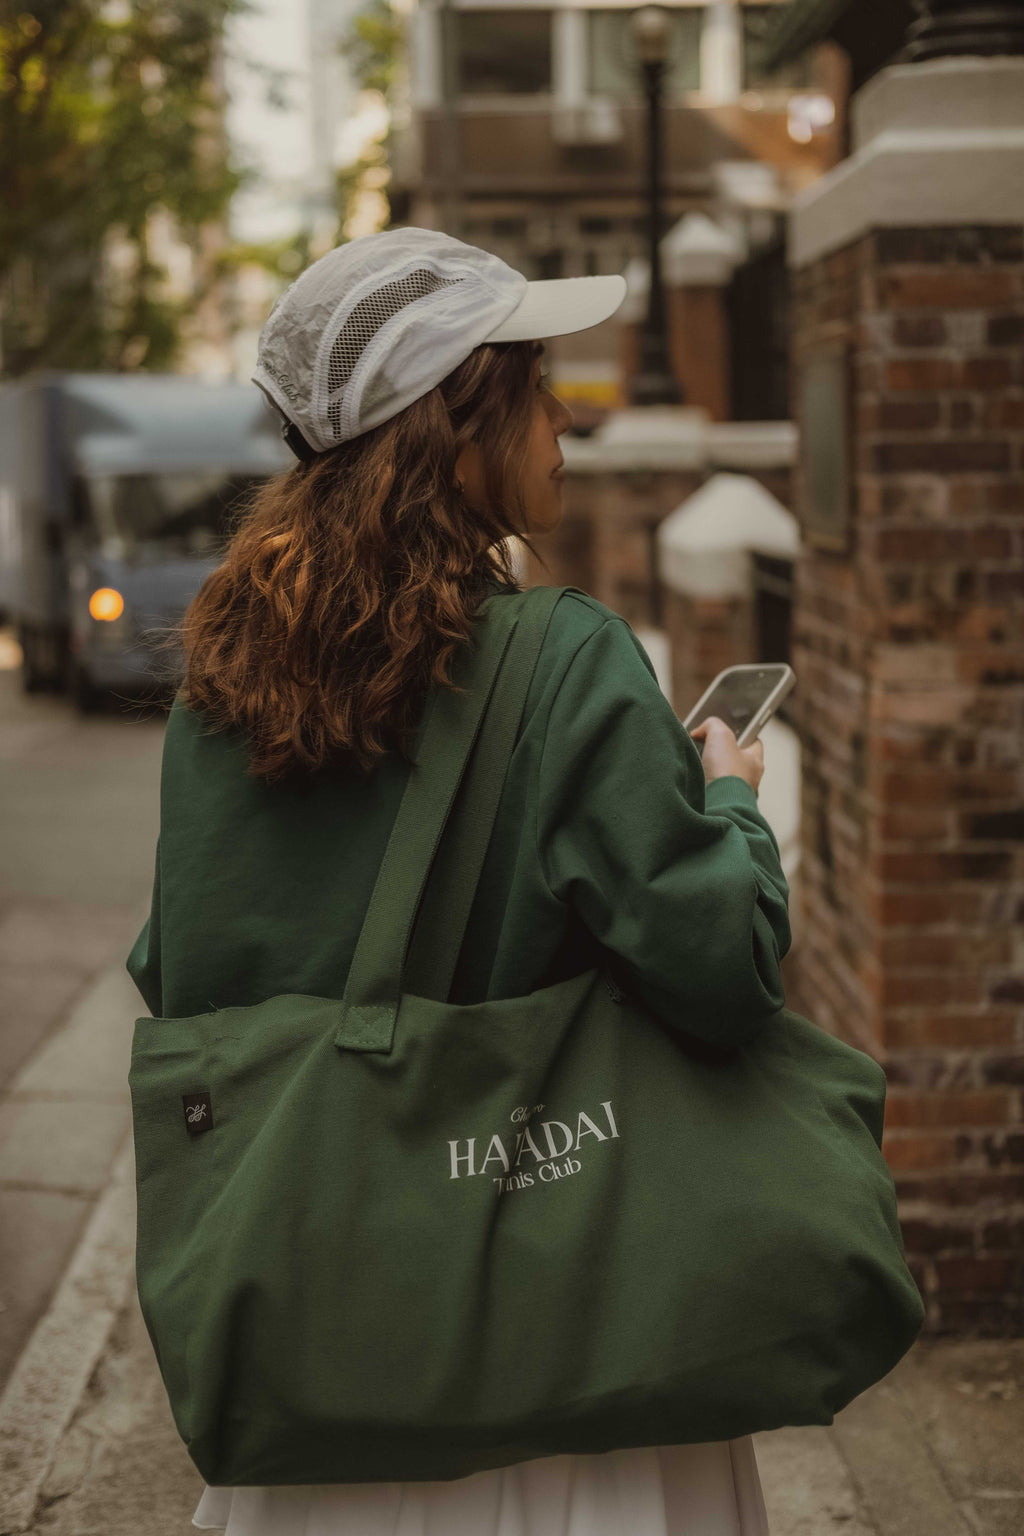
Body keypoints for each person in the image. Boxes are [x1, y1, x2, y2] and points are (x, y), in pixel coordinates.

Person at [126, 226, 789, 1536]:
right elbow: (723, 969)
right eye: (534, 383)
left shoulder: (219, 690)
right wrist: (732, 805)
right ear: (450, 416)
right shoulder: (567, 661)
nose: (563, 422)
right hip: (563, 1350)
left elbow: (181, 971)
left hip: (323, 1347)